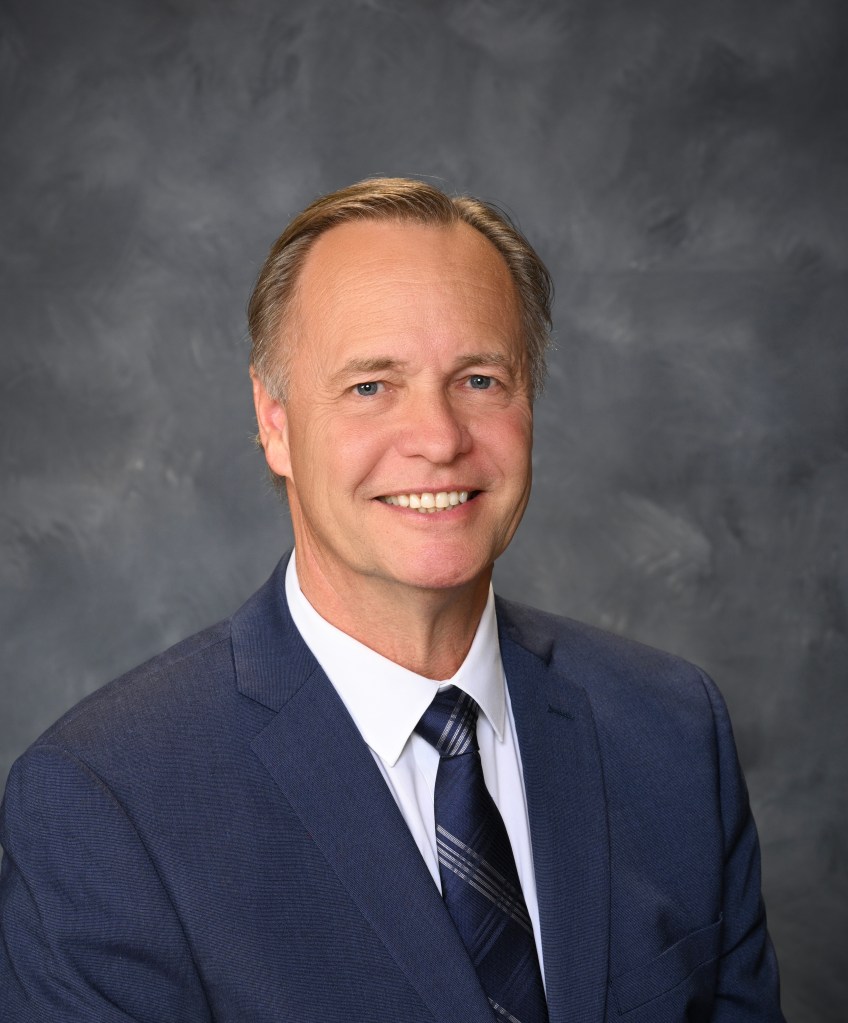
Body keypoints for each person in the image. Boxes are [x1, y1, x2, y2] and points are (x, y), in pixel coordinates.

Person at [0, 178, 784, 1022]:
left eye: (479, 378)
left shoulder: (673, 730)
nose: (440, 439)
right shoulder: (104, 804)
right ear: (275, 421)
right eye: (371, 386)